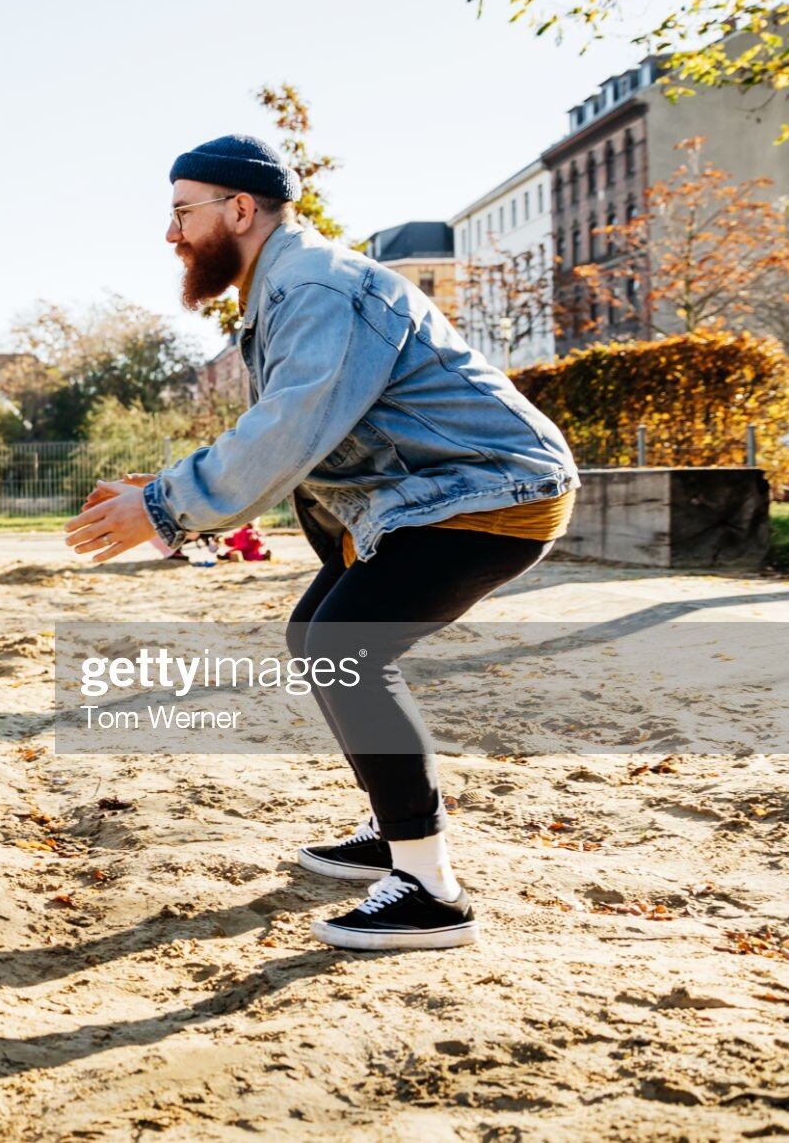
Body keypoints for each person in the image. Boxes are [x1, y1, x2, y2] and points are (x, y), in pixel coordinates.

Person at [63, 133, 578, 952]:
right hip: (434, 496)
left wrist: (162, 506)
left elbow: (288, 429)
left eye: (181, 214)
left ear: (239, 209)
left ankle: (431, 891)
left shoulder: (311, 286)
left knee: (348, 644)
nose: (171, 236)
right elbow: (308, 442)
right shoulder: (282, 288)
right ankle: (394, 828)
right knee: (321, 636)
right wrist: (160, 495)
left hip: (491, 491)